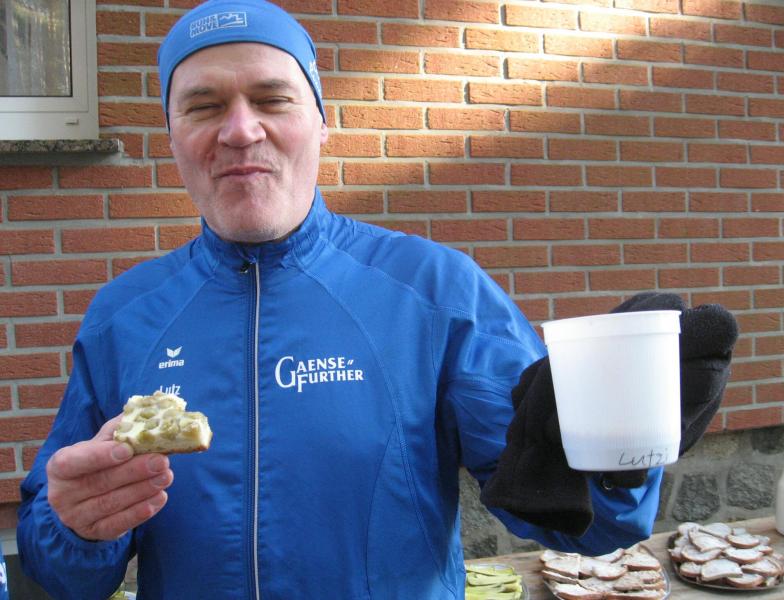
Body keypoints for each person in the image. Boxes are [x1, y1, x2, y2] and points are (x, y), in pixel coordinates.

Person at [15, 1, 735, 599]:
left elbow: (586, 523)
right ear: (172, 137)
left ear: (321, 121)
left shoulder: (436, 291)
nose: (240, 130)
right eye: (203, 106)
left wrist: (613, 452)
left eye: (272, 99)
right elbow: (60, 568)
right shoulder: (122, 316)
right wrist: (74, 528)